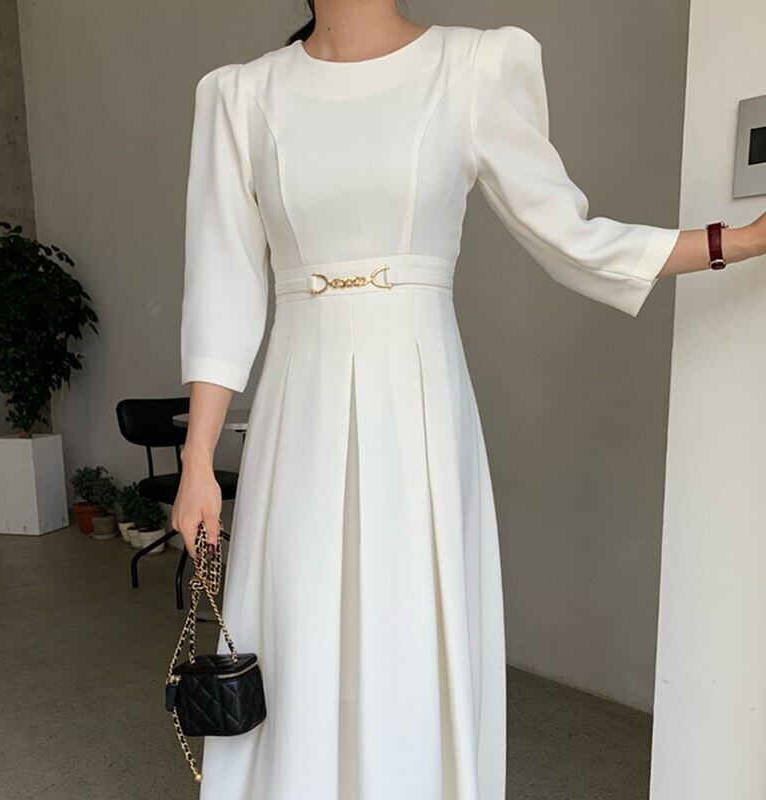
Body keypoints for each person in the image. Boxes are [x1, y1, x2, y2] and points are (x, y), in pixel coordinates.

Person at [173, 2, 766, 797]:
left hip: (418, 408)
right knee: (297, 625)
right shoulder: (241, 96)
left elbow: (571, 237)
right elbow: (222, 290)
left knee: (410, 629)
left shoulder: (472, 66)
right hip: (297, 411)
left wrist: (740, 241)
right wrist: (198, 461)